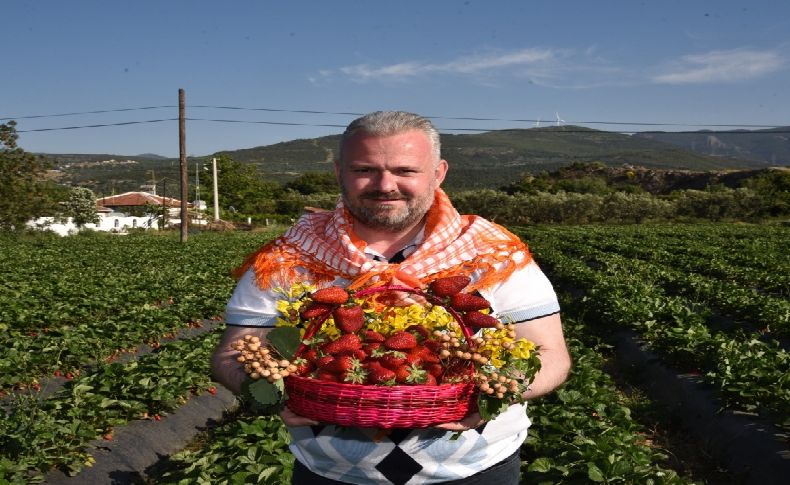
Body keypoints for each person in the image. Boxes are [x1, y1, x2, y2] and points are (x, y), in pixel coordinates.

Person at [212, 111, 571, 484]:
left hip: (474, 470)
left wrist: (499, 391)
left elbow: (551, 354)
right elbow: (231, 353)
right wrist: (271, 395)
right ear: (339, 173)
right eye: (364, 169)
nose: (385, 184)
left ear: (438, 173)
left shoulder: (491, 252)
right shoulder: (290, 256)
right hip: (331, 474)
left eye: (405, 170)